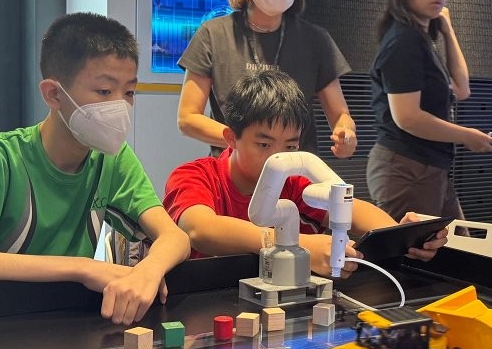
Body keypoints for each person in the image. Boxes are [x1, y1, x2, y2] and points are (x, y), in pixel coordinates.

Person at [0, 13, 190, 325]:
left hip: (66, 326)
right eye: (104, 91)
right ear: (54, 94)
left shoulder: (112, 159)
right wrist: (82, 268)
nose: (120, 106)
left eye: (129, 92)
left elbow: (175, 237)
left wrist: (148, 271)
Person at [164, 69, 447, 277]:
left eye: (290, 146)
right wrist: (299, 247)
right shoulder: (195, 176)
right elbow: (200, 229)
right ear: (231, 138)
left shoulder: (294, 183)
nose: (278, 157)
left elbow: (354, 209)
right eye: (264, 144)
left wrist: (403, 236)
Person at [177, 0, 356, 159]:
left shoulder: (316, 40)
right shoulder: (213, 35)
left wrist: (346, 134)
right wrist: (243, 141)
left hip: (295, 171)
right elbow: (188, 118)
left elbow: (341, 115)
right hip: (232, 171)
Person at [366, 0, 492, 221]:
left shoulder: (421, 39)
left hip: (429, 168)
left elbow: (462, 89)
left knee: (457, 243)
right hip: (407, 168)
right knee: (417, 246)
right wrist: (466, 136)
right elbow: (408, 118)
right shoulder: (403, 41)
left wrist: (448, 30)